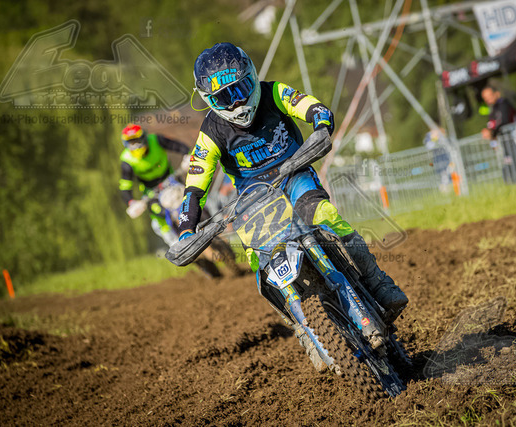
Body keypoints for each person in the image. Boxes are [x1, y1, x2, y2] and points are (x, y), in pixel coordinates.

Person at [178, 42, 408, 322]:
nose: (236, 103)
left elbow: (314, 108)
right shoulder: (211, 131)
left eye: (240, 89)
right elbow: (194, 186)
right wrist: (186, 230)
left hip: (294, 173)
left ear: (252, 76)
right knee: (259, 258)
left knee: (324, 215)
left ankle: (377, 281)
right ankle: (300, 324)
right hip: (253, 198)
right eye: (224, 97)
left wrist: (321, 127)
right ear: (208, 100)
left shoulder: (274, 92)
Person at [119, 124, 190, 247]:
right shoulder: (126, 160)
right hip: (150, 191)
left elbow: (178, 146)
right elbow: (125, 187)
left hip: (171, 179)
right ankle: (174, 244)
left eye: (137, 141)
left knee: (189, 198)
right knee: (158, 215)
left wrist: (188, 156)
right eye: (131, 142)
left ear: (144, 138)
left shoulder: (156, 140)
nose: (135, 146)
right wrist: (131, 203)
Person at [480, 85, 516, 183]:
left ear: (496, 94)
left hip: (514, 138)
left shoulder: (503, 104)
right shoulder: (493, 109)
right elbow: (493, 124)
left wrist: (492, 132)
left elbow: (504, 121)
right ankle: (513, 182)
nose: (487, 99)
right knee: (508, 162)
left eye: (489, 96)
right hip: (505, 141)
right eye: (485, 98)